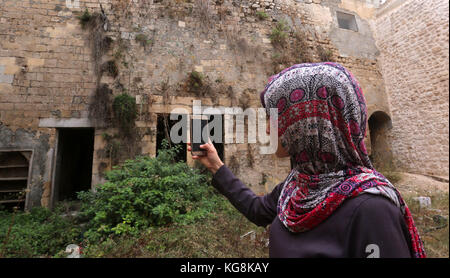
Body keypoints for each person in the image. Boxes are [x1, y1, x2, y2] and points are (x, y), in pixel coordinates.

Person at [187, 62, 426, 258]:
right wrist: (216, 165)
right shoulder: (299, 184)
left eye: (273, 118)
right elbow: (257, 210)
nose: (268, 130)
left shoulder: (371, 210)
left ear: (305, 122)